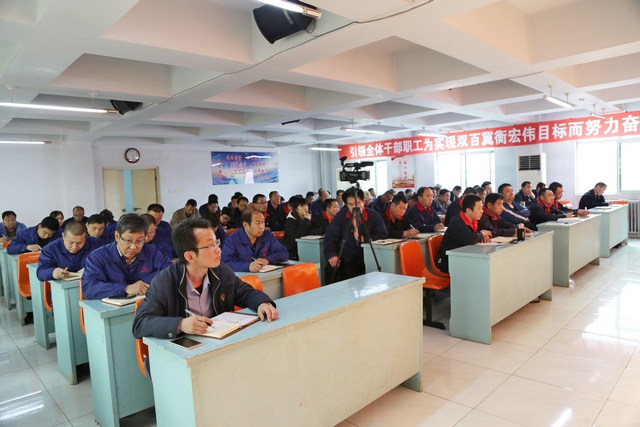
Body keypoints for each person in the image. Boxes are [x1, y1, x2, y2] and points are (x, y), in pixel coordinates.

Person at [132, 219, 277, 346]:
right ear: (190, 256)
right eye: (211, 245)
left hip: (216, 345)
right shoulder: (164, 282)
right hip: (180, 351)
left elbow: (245, 292)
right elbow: (140, 324)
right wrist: (180, 325)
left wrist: (262, 303)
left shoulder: (221, 272)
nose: (218, 250)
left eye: (216, 243)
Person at [82, 213, 172, 300]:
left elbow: (170, 271)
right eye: (128, 240)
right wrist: (125, 288)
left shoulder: (151, 252)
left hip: (146, 304)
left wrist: (143, 283)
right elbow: (89, 288)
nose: (133, 247)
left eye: (139, 241)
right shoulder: (98, 257)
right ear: (117, 236)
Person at [323, 187, 388, 284]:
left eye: (358, 203)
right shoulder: (341, 216)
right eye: (351, 204)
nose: (355, 207)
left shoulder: (373, 216)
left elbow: (383, 234)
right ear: (346, 205)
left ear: (363, 202)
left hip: (365, 256)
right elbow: (330, 236)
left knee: (349, 273)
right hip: (345, 255)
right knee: (330, 270)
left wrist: (365, 239)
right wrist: (332, 255)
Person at [221, 208, 289, 272]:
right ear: (245, 225)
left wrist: (267, 259)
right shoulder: (232, 240)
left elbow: (283, 253)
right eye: (257, 223)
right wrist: (248, 266)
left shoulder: (267, 235)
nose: (262, 227)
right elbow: (225, 263)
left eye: (263, 222)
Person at [436, 195, 491, 273]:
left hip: (463, 256)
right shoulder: (457, 221)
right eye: (479, 208)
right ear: (468, 210)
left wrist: (485, 234)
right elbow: (470, 239)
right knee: (481, 269)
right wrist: (481, 234)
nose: (482, 211)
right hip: (448, 260)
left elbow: (489, 229)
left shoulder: (475, 219)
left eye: (482, 208)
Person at [36, 222, 103, 281]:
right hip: (62, 288)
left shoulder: (96, 244)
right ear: (63, 236)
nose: (74, 247)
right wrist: (53, 272)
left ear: (86, 236)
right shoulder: (50, 249)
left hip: (91, 284)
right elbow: (41, 272)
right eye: (70, 242)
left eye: (79, 243)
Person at [282, 196, 313, 260]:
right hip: (292, 252)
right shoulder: (290, 221)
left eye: (306, 205)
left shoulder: (308, 217)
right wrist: (306, 220)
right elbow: (298, 235)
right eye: (302, 206)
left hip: (305, 248)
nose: (305, 208)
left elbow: (317, 229)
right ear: (296, 209)